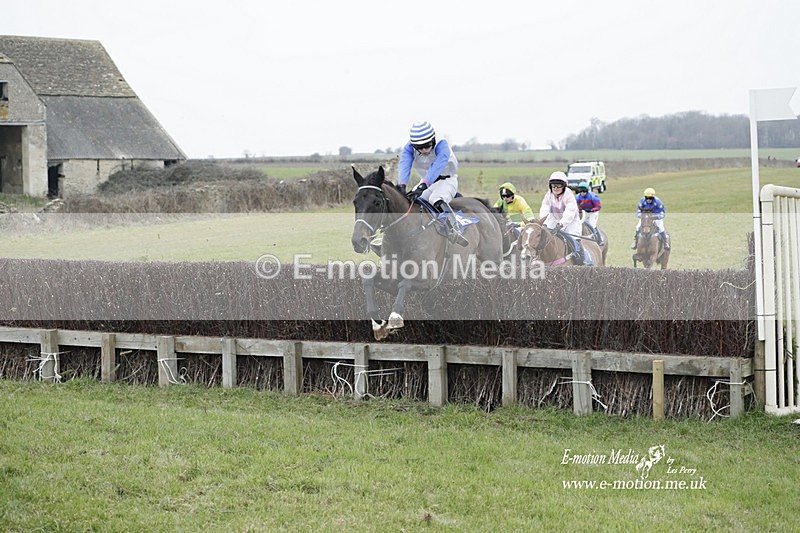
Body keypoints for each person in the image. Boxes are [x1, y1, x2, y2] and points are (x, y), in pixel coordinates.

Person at [397, 121, 468, 246]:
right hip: (426, 182)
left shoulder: (442, 144)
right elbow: (404, 165)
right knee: (410, 201)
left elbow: (437, 166)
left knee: (436, 198)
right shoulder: (409, 148)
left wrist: (423, 185)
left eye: (427, 146)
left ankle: (455, 229)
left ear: (433, 140)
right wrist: (402, 185)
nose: (424, 150)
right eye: (420, 148)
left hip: (447, 180)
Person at [539, 171, 590, 265]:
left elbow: (570, 212)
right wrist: (544, 223)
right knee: (545, 236)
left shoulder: (569, 195)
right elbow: (544, 209)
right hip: (554, 220)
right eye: (553, 185)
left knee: (574, 240)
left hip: (571, 222)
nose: (555, 188)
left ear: (564, 186)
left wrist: (561, 224)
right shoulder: (548, 195)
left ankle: (583, 260)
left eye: (558, 185)